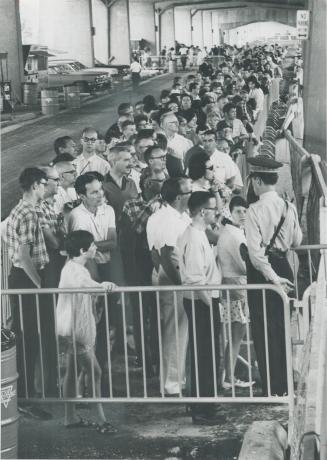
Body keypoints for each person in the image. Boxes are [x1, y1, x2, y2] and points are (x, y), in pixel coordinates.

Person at [244, 155, 302, 396]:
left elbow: (256, 255)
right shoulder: (288, 206)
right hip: (284, 267)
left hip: (263, 274)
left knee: (264, 329)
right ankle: (285, 385)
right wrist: (280, 276)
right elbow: (297, 240)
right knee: (281, 328)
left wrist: (272, 279)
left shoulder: (254, 210)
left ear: (257, 180)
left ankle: (272, 387)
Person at [56, 230, 117, 433]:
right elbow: (88, 286)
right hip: (75, 329)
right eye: (91, 246)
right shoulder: (75, 270)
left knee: (72, 372)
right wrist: (104, 286)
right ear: (82, 250)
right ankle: (100, 420)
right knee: (95, 372)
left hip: (70, 327)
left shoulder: (72, 267)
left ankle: (69, 417)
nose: (95, 247)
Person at [177, 191, 224, 425]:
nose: (217, 212)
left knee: (204, 353)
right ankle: (202, 409)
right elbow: (196, 279)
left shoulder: (197, 233)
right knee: (205, 354)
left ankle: (202, 402)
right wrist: (212, 305)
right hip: (201, 300)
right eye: (214, 208)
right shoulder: (194, 238)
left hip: (201, 298)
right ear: (203, 212)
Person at [6, 168, 50, 403]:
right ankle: (25, 396)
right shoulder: (28, 214)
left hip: (21, 278)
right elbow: (24, 257)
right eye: (44, 183)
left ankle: (26, 393)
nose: (46, 187)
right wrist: (40, 285)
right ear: (35, 185)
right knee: (27, 339)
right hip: (26, 279)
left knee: (27, 337)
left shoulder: (22, 209)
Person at [146, 177, 192, 396]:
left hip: (172, 276)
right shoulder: (167, 220)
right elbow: (164, 255)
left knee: (177, 331)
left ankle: (177, 379)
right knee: (174, 332)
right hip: (172, 279)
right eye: (188, 191)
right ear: (178, 197)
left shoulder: (177, 216)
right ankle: (172, 384)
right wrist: (181, 285)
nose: (192, 194)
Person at [217, 196, 253, 389]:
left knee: (237, 332)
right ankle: (228, 376)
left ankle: (228, 375)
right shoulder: (234, 235)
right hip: (235, 284)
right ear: (230, 212)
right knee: (237, 332)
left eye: (245, 211)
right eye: (239, 211)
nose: (243, 215)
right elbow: (245, 265)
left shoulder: (233, 232)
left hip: (234, 284)